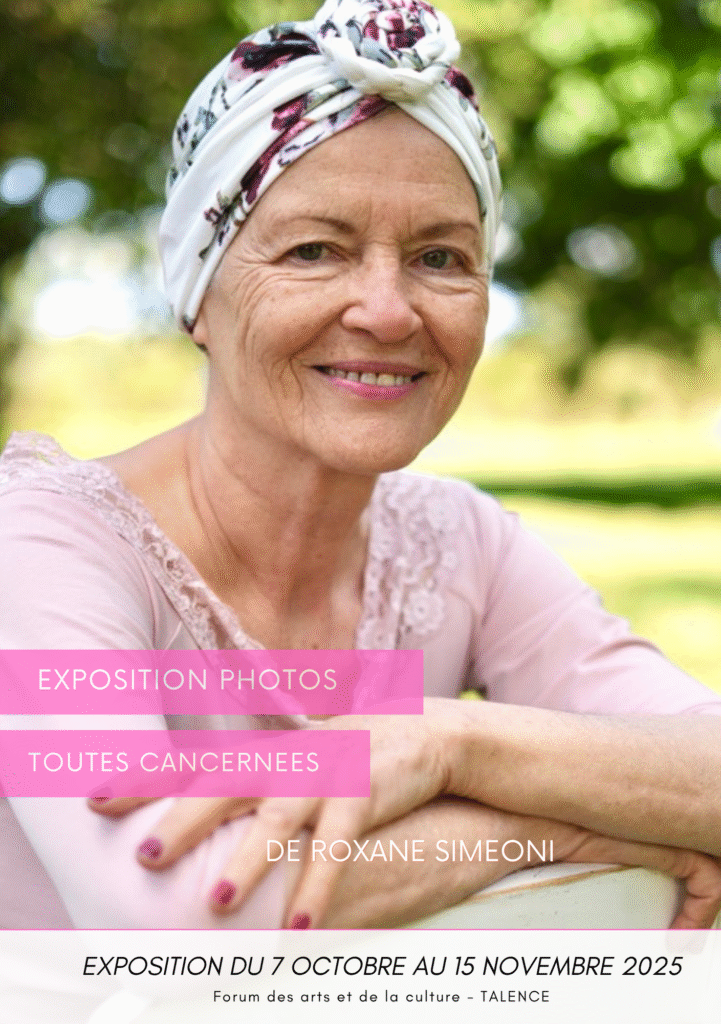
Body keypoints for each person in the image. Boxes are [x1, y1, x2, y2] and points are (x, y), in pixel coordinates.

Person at [1, 0, 721, 934]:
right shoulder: (41, 545)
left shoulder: (457, 546)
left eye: (438, 256)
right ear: (197, 296)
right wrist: (568, 828)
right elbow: (169, 907)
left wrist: (445, 740)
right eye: (314, 249)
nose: (386, 311)